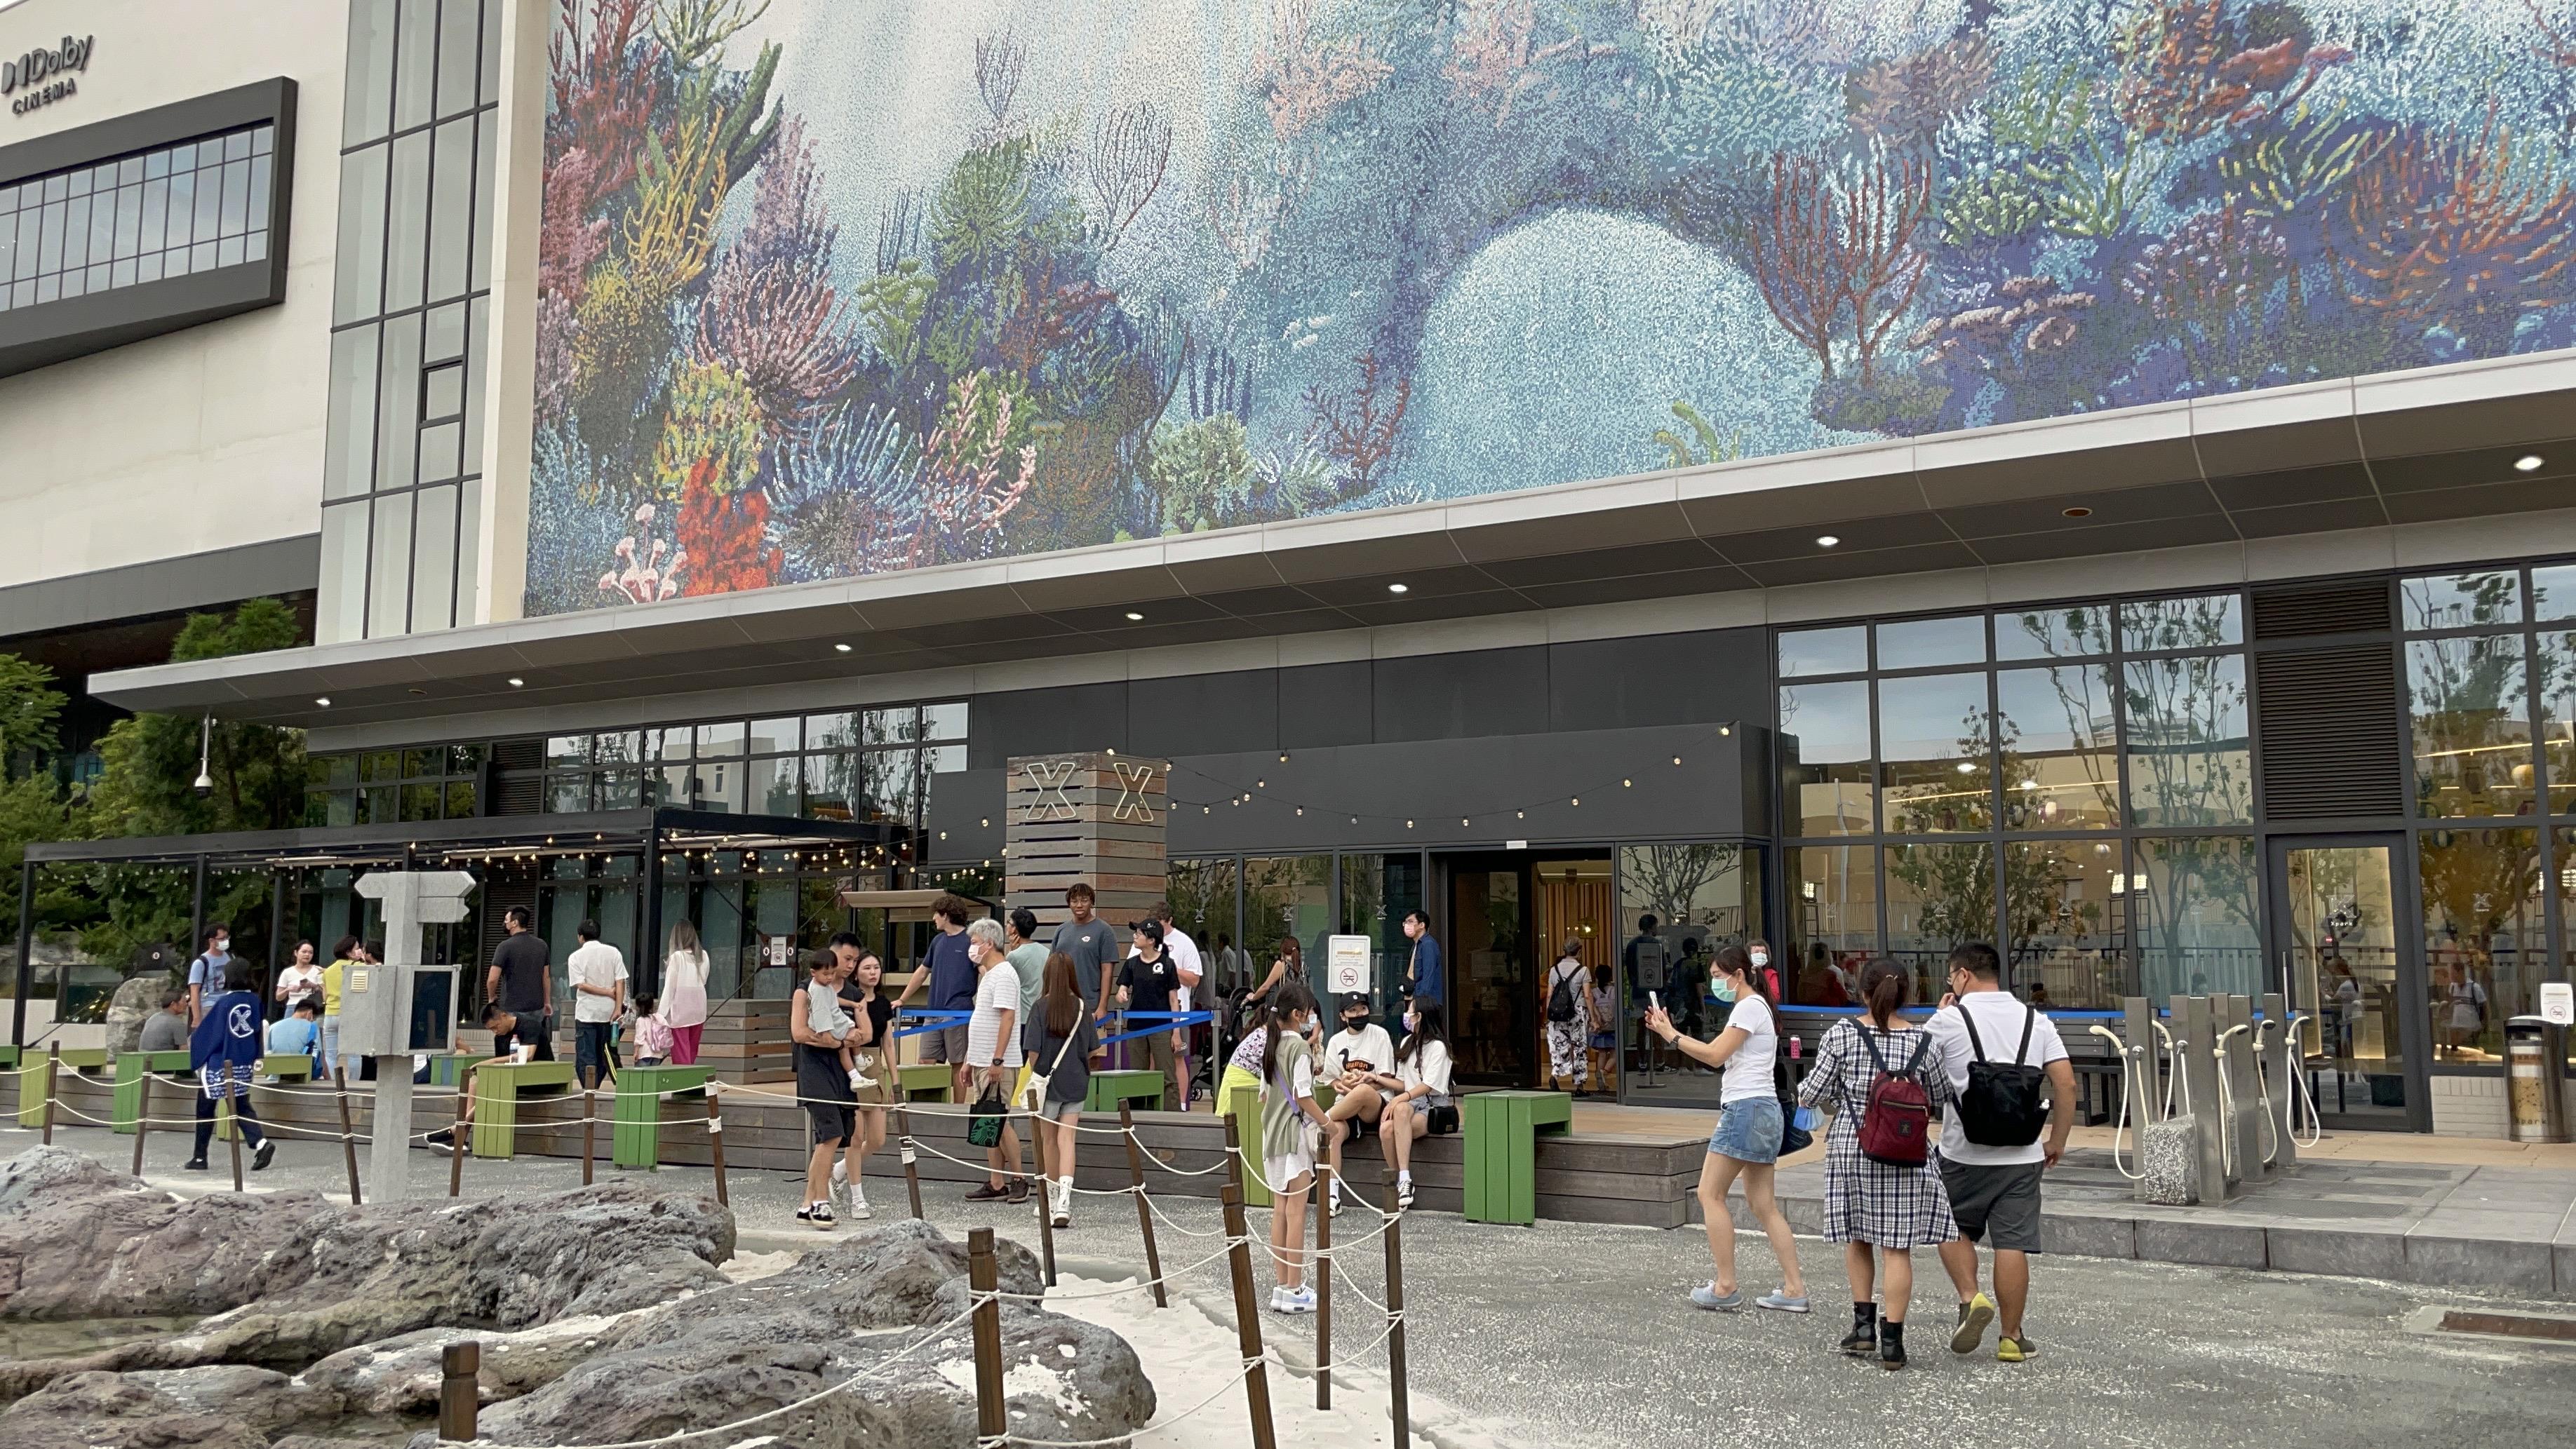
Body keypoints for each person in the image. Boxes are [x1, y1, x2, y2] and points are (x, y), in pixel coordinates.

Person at [1795, 959, 1956, 1371]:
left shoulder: (1843, 1033)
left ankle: (1863, 1328)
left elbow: (1812, 1093)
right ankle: (1893, 1344)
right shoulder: (1924, 1040)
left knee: (1858, 1236)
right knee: (1896, 1248)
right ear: (1906, 993)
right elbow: (1940, 1094)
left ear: (1863, 992)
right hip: (1905, 1148)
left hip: (1854, 1145)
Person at [1928, 941, 2075, 1365]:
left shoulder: (1947, 1021)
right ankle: (2012, 1338)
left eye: (1951, 976)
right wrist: (2057, 1140)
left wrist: (1940, 1016)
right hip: (2022, 1155)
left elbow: (1918, 1072)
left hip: (1962, 1153)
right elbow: (2066, 1084)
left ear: (1963, 975)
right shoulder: (2037, 1021)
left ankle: (1971, 1297)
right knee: (2013, 1243)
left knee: (1950, 1226)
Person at [1646, 944, 1808, 1314]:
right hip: (1763, 1109)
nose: (1715, 983)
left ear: (1739, 975)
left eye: (1719, 976)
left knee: (1710, 1194)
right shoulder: (1759, 1005)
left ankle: (1725, 1286)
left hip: (1745, 1109)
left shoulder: (1748, 1006)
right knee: (1764, 1205)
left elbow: (1715, 1055)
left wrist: (1671, 1034)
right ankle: (1794, 1288)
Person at [1256, 980, 1329, 1313]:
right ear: (1298, 1014)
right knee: (1296, 1212)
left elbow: (1264, 1096)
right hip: (1294, 1136)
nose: (1311, 1018)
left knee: (1281, 1210)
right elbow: (1303, 1095)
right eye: (1309, 1013)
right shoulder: (1299, 1048)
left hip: (1271, 1136)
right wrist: (1327, 1123)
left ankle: (1283, 1285)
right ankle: (1296, 1288)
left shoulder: (1271, 1046)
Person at [1023, 952, 1095, 1230]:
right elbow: (1092, 1049)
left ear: (1047, 975)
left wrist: (1039, 1077)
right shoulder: (1082, 1008)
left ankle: (1051, 1200)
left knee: (1049, 1141)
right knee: (1068, 1140)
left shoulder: (1040, 1007)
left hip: (1048, 1084)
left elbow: (1033, 1051)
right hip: (1076, 1082)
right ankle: (1065, 1202)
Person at [791, 950, 861, 1228]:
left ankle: (807, 1205)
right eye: (846, 959)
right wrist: (833, 1041)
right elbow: (799, 1033)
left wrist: (846, 1039)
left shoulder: (847, 993)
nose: (848, 965)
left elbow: (862, 1032)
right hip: (815, 1070)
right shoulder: (805, 991)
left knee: (831, 1137)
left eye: (853, 960)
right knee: (831, 1134)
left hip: (839, 1073)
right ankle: (820, 1202)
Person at [185, 961, 274, 1172]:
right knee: (240, 1105)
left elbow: (209, 1035)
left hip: (220, 1063)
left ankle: (200, 1157)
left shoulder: (225, 1003)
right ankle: (260, 1143)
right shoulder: (255, 1001)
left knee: (205, 1108)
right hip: (244, 1062)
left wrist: (196, 1054)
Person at [963, 917, 1026, 1204]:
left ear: (989, 944)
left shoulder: (1003, 974)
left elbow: (1008, 1018)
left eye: (975, 942)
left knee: (999, 1118)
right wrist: (969, 1059)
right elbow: (982, 1019)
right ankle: (996, 1181)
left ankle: (1019, 1178)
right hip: (982, 1058)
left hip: (997, 1061)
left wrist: (998, 1060)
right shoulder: (989, 974)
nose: (972, 947)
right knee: (988, 1117)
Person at [831, 945, 897, 1220]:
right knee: (855, 1138)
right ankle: (858, 1199)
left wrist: (895, 1081)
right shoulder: (848, 1000)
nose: (873, 972)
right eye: (867, 967)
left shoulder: (883, 1003)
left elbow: (888, 1044)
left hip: (875, 1067)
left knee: (878, 1139)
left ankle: (839, 1170)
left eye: (876, 968)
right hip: (851, 1067)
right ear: (856, 973)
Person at [894, 894, 979, 1101]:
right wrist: (902, 999)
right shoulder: (937, 941)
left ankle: (957, 1109)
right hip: (932, 1012)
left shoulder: (970, 940)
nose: (933, 918)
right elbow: (922, 972)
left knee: (958, 1064)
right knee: (925, 1060)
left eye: (936, 914)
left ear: (946, 915)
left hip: (958, 1012)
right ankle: (926, 1106)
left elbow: (983, 971)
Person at [1319, 992, 1395, 1216]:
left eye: (1362, 1009)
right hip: (1346, 1106)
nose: (1359, 1014)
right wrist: (1340, 1085)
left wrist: (1364, 1083)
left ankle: (1321, 1120)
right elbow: (1331, 1079)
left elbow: (1386, 1078)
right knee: (1333, 1133)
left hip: (1375, 1104)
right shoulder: (1336, 1041)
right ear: (1343, 1016)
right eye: (1353, 1010)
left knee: (1362, 1091)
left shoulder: (1379, 1035)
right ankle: (1333, 1196)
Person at [1375, 998, 1454, 1211]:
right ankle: (1402, 1180)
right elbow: (1402, 1083)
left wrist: (1399, 1098)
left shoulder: (1439, 1047)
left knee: (1399, 1111)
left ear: (1419, 1017)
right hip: (1411, 1102)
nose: (1406, 1016)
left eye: (1410, 1012)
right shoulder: (1407, 1043)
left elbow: (1429, 1085)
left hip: (1433, 1104)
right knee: (1386, 1129)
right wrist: (1377, 1079)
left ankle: (1403, 1180)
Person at [425, 1003, 530, 1155]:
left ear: (504, 1016)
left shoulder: (528, 1026)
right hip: (509, 1076)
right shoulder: (499, 1037)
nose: (495, 1032)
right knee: (474, 1082)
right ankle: (460, 1140)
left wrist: (489, 1062)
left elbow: (528, 1055)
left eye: (496, 1027)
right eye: (491, 1030)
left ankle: (457, 1131)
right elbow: (503, 1062)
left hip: (533, 1077)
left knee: (491, 1091)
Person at [1117, 920, 1186, 1112]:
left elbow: (1174, 1000)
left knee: (1167, 1074)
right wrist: (1121, 994)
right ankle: (1138, 1115)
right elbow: (1122, 988)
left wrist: (1176, 1032)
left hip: (1162, 1027)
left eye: (1139, 933)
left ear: (1151, 940)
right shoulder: (1131, 964)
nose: (1135, 936)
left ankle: (1171, 1115)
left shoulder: (1167, 964)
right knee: (1137, 1075)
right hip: (1136, 1027)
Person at [566, 919, 628, 1090]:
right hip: (609, 1013)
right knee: (604, 1055)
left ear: (580, 937)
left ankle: (589, 1091)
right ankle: (596, 1087)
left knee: (586, 1055)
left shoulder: (575, 957)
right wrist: (618, 1007)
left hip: (586, 1013)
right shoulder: (613, 952)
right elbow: (620, 981)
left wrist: (607, 992)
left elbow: (581, 985)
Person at [486, 907, 554, 1061]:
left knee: (511, 1051)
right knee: (534, 1048)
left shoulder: (505, 946)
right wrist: (547, 1002)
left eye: (506, 920)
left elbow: (492, 979)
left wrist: (492, 998)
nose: (505, 923)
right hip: (537, 1007)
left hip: (512, 1007)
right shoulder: (542, 945)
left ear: (515, 923)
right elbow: (546, 977)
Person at [1543, 938, 1592, 1093]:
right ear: (1579, 951)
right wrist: (1594, 1017)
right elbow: (1587, 995)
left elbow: (1549, 995)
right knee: (1579, 1047)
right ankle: (1579, 1086)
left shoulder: (1554, 970)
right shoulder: (1583, 970)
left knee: (1560, 1045)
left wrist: (1549, 1015)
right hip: (1577, 1012)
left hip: (1557, 1013)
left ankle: (1555, 1075)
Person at [662, 919, 711, 1066]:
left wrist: (660, 1014)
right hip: (699, 1007)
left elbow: (669, 988)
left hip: (681, 1008)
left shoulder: (676, 957)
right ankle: (691, 1077)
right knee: (692, 1049)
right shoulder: (703, 955)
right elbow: (703, 980)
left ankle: (683, 1078)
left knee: (681, 1051)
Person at [320, 936, 362, 1081]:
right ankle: (354, 1083)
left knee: (331, 1054)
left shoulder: (328, 971)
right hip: (350, 1014)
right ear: (349, 953)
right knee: (354, 1054)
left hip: (330, 1014)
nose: (360, 951)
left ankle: (332, 1083)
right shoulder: (358, 967)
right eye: (357, 948)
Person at [185, 923, 232, 1026]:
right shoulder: (201, 963)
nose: (226, 941)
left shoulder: (231, 957)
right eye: (222, 938)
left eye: (227, 937)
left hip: (229, 1005)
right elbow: (194, 992)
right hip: (210, 1007)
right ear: (212, 941)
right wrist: (197, 1018)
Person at [1402, 910, 1443, 1025]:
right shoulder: (1417, 945)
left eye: (1411, 922)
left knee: (1425, 1032)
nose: (1407, 925)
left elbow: (1428, 976)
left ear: (1422, 925)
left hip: (1425, 1003)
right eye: (1405, 922)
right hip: (1414, 998)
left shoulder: (1428, 944)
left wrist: (1418, 1002)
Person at [1585, 961, 1618, 1096]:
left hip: (1600, 1027)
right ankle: (1605, 1072)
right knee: (1616, 1052)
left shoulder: (1593, 992)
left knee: (1602, 1052)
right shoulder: (1614, 991)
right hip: (1613, 1026)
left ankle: (1600, 1077)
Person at [266, 997, 323, 1073]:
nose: (312, 1020)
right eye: (313, 1018)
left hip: (276, 1070)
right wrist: (328, 1077)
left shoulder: (273, 1027)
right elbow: (319, 1055)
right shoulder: (312, 1027)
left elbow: (269, 1050)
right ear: (310, 1013)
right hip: (301, 1071)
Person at [273, 940, 323, 1013]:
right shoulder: (287, 972)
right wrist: (288, 989)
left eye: (310, 953)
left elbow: (325, 991)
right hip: (293, 1007)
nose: (307, 955)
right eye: (304, 952)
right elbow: (278, 997)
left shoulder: (318, 970)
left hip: (312, 1006)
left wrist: (313, 985)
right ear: (296, 953)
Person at [139, 988, 192, 1053]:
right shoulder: (177, 1023)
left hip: (143, 1056)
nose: (186, 1004)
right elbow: (184, 1052)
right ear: (173, 1004)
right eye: (184, 1001)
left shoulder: (153, 1018)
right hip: (163, 1058)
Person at [631, 994, 673, 1067]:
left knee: (642, 1074)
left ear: (638, 1006)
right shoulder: (659, 1017)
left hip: (644, 1053)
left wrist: (636, 1052)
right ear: (652, 1005)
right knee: (653, 1074)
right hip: (658, 1054)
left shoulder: (641, 1020)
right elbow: (667, 1030)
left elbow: (639, 1038)